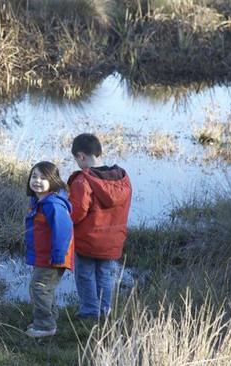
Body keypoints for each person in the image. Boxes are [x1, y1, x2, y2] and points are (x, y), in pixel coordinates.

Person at [67, 133, 132, 319]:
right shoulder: (122, 178)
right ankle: (104, 311)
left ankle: (89, 312)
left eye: (76, 159)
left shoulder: (83, 181)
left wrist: (63, 218)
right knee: (104, 274)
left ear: (81, 156)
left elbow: (77, 212)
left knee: (85, 275)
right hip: (112, 241)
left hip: (88, 240)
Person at [24, 161, 74, 338]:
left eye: (43, 178)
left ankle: (45, 326)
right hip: (43, 255)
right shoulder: (38, 201)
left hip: (53, 257)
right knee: (44, 288)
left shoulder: (53, 204)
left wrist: (58, 256)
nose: (37, 181)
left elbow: (63, 231)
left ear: (53, 181)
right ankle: (48, 319)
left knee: (39, 287)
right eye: (34, 176)